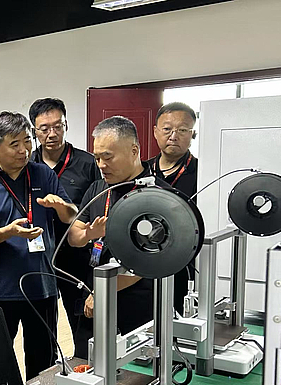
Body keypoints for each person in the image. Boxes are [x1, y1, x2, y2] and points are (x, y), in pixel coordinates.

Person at [0, 111, 77, 381]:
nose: (23, 150)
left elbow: (71, 215)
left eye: (27, 141)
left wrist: (61, 206)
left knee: (43, 359)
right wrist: (9, 232)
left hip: (41, 284)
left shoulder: (43, 174)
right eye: (14, 144)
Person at [67, 116, 169, 335]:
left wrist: (103, 291)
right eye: (97, 158)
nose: (101, 165)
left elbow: (147, 260)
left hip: (137, 304)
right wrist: (88, 234)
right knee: (87, 353)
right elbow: (73, 237)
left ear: (134, 151)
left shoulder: (158, 195)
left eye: (108, 157)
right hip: (93, 297)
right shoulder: (97, 189)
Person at [29, 98, 101, 359]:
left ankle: (87, 367)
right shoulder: (27, 165)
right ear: (34, 131)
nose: (52, 134)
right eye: (44, 128)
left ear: (66, 125)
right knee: (42, 325)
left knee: (82, 320)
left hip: (76, 256)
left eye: (58, 126)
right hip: (38, 255)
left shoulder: (87, 163)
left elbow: (99, 206)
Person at [149, 102, 199, 313]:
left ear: (193, 134)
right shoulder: (142, 171)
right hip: (146, 259)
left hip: (186, 262)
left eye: (182, 130)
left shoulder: (202, 171)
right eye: (167, 129)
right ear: (155, 132)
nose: (174, 136)